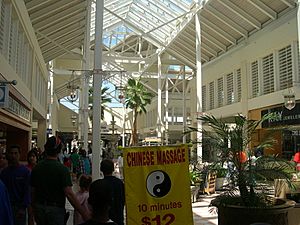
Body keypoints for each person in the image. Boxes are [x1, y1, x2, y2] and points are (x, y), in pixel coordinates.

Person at [31, 136, 90, 225]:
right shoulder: (62, 169)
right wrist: (83, 213)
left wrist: (32, 211)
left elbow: (32, 191)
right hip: (56, 210)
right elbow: (69, 194)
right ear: (59, 151)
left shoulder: (37, 168)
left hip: (39, 208)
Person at [0, 145, 31, 225]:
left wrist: (23, 208)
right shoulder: (4, 173)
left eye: (15, 153)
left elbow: (27, 191)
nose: (13, 156)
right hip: (7, 206)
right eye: (11, 153)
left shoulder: (25, 172)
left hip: (19, 207)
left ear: (19, 155)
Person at [100, 159, 125, 225]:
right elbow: (124, 199)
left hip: (103, 219)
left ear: (101, 169)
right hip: (118, 218)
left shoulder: (99, 185)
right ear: (113, 169)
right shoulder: (119, 183)